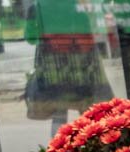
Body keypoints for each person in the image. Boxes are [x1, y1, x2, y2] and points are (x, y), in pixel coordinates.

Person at [24, 0, 114, 136]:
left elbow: (30, 38)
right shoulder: (79, 6)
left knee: (58, 115)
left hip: (54, 69)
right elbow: (94, 32)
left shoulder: (38, 7)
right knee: (90, 114)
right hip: (83, 68)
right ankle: (93, 149)